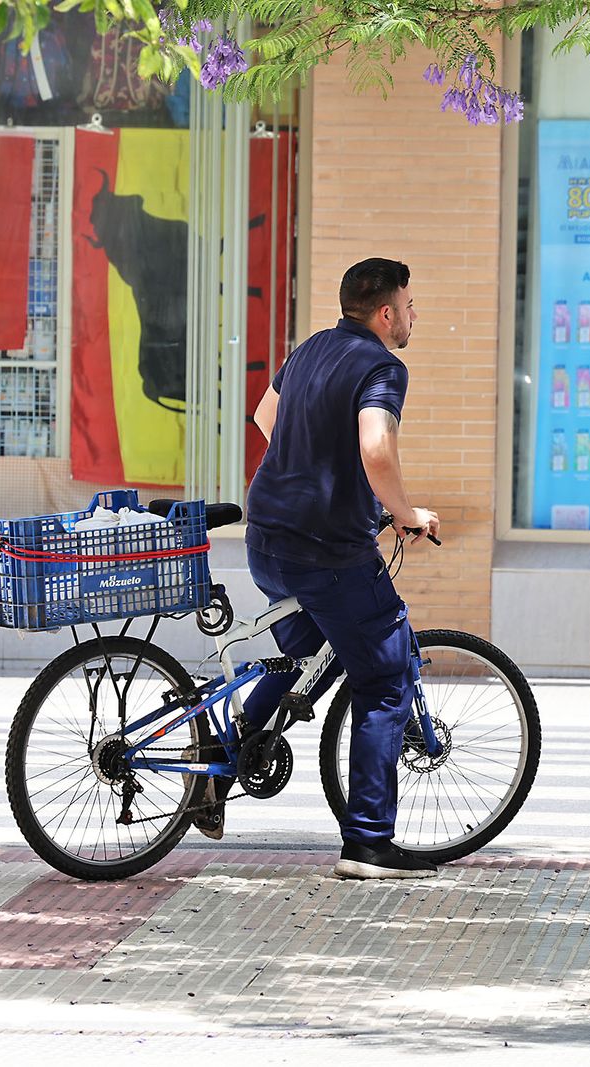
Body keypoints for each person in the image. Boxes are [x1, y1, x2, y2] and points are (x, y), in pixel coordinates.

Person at [196, 257, 440, 880]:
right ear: (385, 312)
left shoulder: (310, 349)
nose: (414, 316)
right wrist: (406, 513)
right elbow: (376, 447)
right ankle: (368, 844)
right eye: (409, 306)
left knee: (306, 655)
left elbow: (266, 418)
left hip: (268, 538)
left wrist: (311, 475)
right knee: (384, 678)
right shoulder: (383, 367)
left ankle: (224, 757)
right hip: (327, 552)